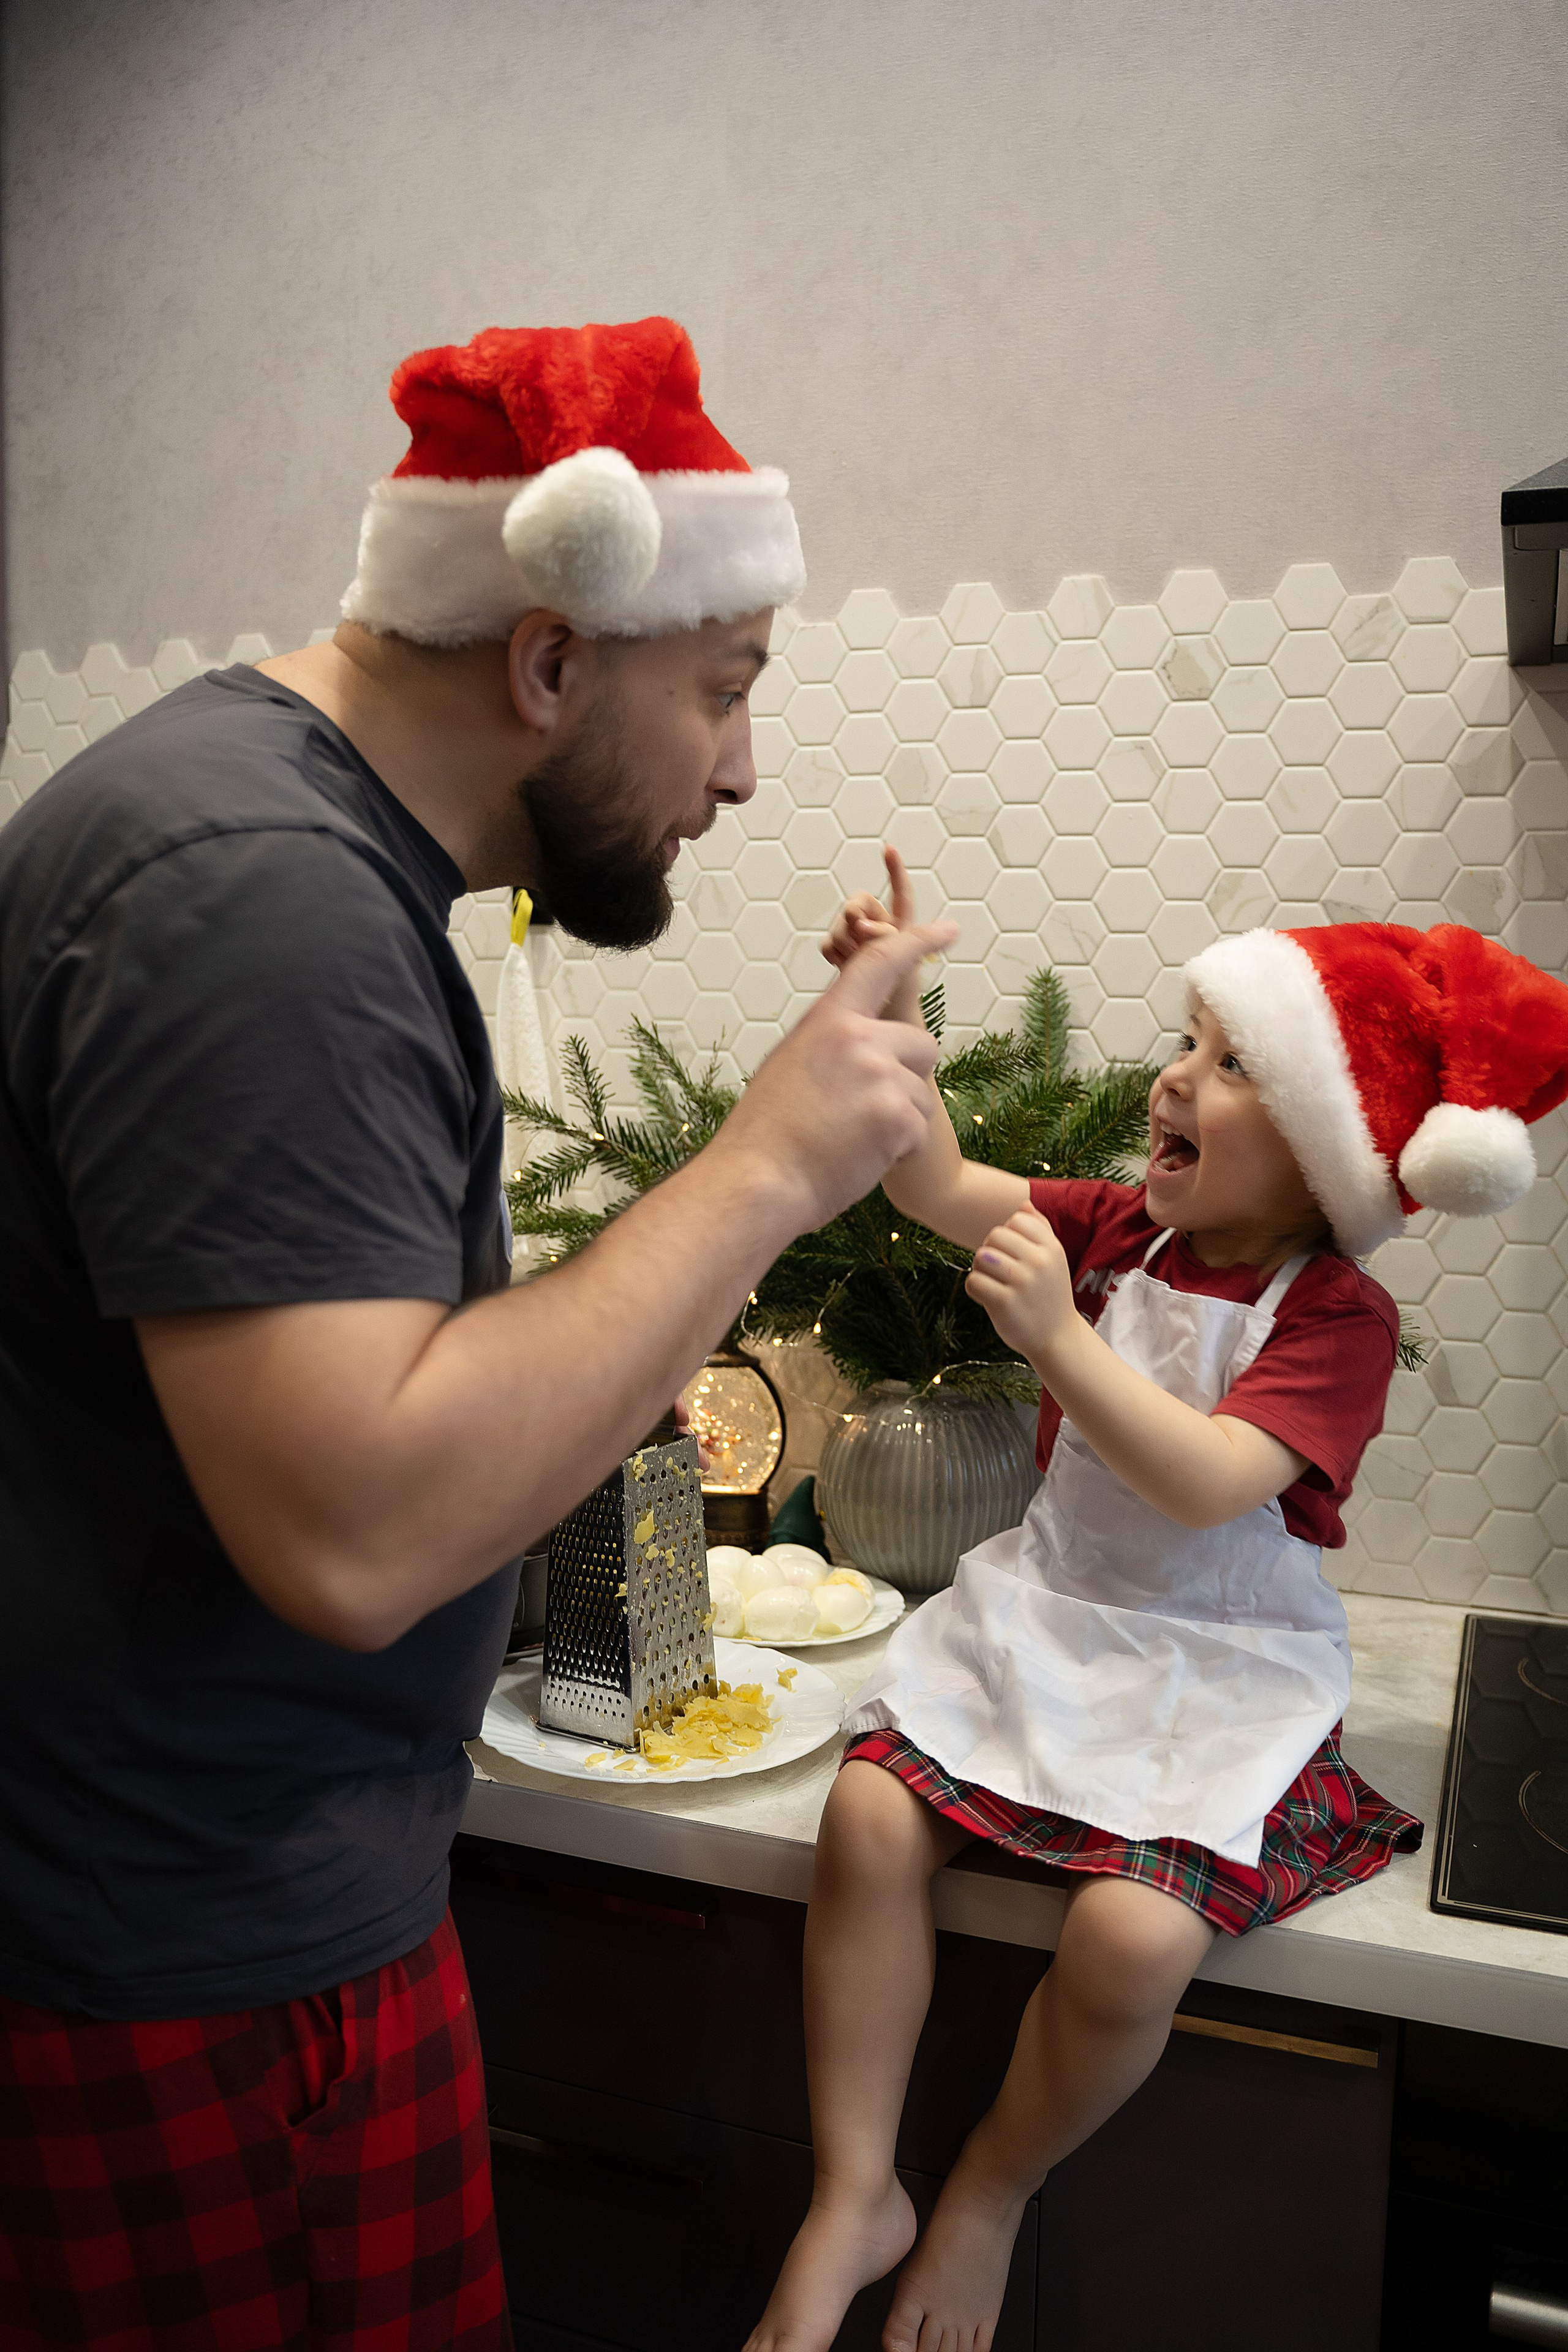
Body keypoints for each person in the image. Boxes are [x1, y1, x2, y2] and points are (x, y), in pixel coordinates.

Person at [0, 321, 954, 2350]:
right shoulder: (263, 899)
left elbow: (387, 1400)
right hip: (194, 1959)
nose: (740, 769)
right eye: (722, 689)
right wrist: (765, 1166)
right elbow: (357, 1532)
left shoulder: (272, 848)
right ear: (546, 661)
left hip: (219, 1904)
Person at [748, 846, 1568, 2352]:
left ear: (1325, 1152)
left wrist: (1058, 1343)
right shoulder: (1118, 1225)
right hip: (1048, 1612)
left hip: (1213, 1663)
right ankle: (852, 2191)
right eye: (1185, 1043)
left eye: (1231, 1064)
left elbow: (1206, 1482)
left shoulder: (1337, 1319)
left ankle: (989, 2189)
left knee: (1131, 1945)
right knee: (864, 1820)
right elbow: (928, 1181)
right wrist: (892, 1005)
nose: (1172, 1079)